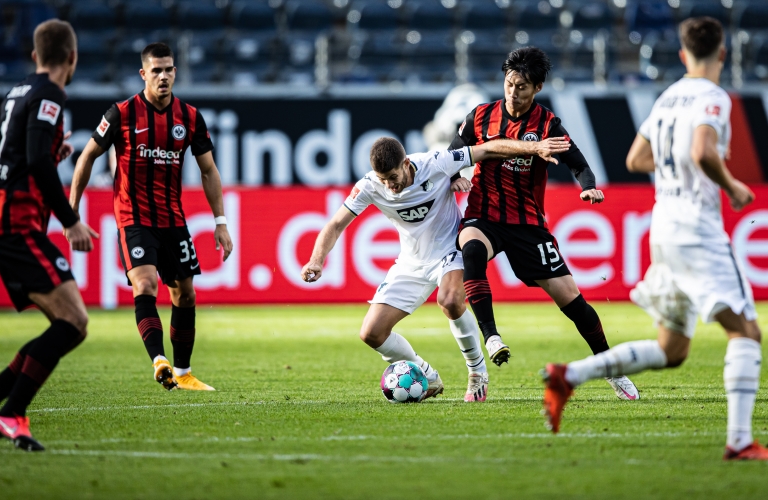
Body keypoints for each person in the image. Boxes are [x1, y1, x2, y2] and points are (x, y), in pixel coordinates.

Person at [541, 17, 768, 460]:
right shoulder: (713, 97)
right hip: (697, 228)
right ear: (723, 54)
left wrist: (672, 166)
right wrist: (733, 185)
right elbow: (702, 151)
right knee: (746, 332)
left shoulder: (667, 98)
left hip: (663, 228)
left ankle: (569, 375)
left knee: (672, 350)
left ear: (683, 55)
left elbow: (636, 157)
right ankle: (740, 441)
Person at [301, 136, 570, 401]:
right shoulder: (370, 186)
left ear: (406, 163)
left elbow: (487, 150)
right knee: (371, 333)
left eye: (392, 177)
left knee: (450, 300)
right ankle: (427, 374)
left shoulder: (436, 163)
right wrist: (316, 259)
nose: (389, 185)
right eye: (382, 179)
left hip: (449, 251)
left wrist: (534, 148)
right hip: (410, 263)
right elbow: (335, 224)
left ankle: (477, 371)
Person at [449, 47, 638, 400]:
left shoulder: (546, 125)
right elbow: (454, 150)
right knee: (471, 248)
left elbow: (579, 163)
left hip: (527, 224)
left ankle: (611, 367)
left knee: (572, 301)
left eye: (522, 86)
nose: (513, 92)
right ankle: (491, 338)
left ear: (537, 88)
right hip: (484, 214)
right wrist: (455, 175)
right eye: (509, 84)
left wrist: (589, 188)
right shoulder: (480, 116)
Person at [70, 43, 233, 392]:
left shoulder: (189, 117)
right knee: (145, 285)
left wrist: (220, 222)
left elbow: (209, 171)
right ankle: (159, 360)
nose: (163, 76)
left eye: (169, 69)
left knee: (185, 295)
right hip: (133, 218)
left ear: (176, 72)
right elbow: (86, 159)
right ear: (143, 74)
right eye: (156, 70)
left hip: (173, 219)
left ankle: (184, 372)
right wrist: (72, 213)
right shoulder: (121, 113)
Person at [0, 20, 97, 451]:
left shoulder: (16, 93)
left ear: (34, 56)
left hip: (3, 224)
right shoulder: (50, 95)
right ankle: (11, 414)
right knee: (74, 321)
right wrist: (70, 219)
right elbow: (34, 160)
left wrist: (50, 148)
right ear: (73, 57)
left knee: (63, 324)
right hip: (17, 225)